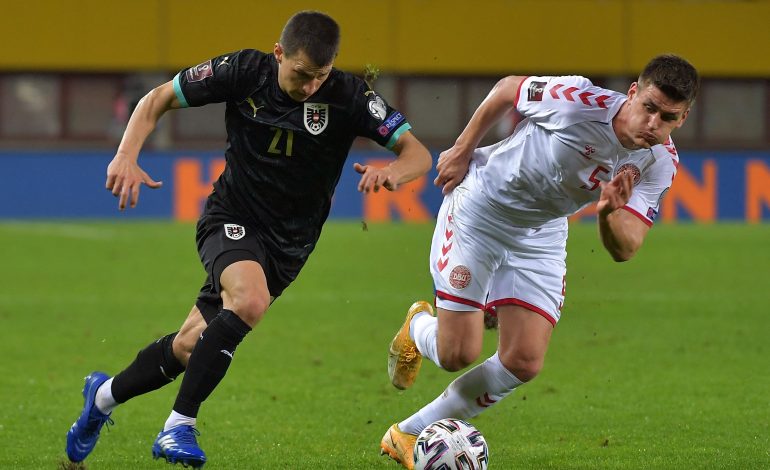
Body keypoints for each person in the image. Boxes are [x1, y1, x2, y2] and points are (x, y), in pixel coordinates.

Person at [64, 10, 432, 469]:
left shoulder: (350, 96)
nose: (310, 87)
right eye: (300, 74)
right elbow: (157, 98)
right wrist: (125, 154)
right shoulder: (242, 72)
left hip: (290, 246)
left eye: (319, 76)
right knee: (250, 300)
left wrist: (394, 171)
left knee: (187, 346)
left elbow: (418, 153)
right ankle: (178, 426)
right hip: (231, 217)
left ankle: (100, 398)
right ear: (279, 54)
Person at [380, 54, 699, 469]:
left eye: (667, 117)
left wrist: (605, 214)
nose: (653, 124)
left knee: (523, 360)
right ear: (634, 93)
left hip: (542, 232)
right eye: (649, 108)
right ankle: (418, 326)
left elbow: (626, 247)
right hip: (481, 210)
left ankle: (407, 433)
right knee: (457, 353)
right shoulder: (579, 101)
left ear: (683, 118)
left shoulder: (659, 162)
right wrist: (462, 149)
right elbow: (510, 88)